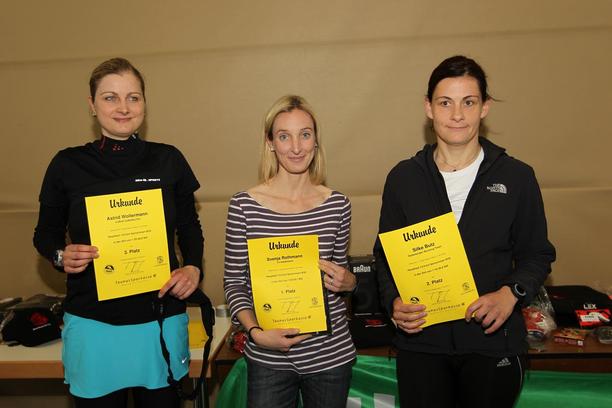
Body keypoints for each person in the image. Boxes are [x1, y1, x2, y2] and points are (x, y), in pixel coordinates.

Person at [373, 55, 556, 408]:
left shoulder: (517, 177)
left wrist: (511, 293)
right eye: (445, 102)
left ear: (484, 107)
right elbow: (385, 256)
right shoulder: (403, 178)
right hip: (422, 345)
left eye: (468, 102)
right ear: (428, 108)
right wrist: (393, 302)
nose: (457, 114)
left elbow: (537, 253)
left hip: (492, 344)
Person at [33, 57, 204, 408]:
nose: (123, 108)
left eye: (133, 97)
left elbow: (189, 225)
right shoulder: (67, 164)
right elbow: (45, 233)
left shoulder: (168, 159)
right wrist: (61, 255)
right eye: (110, 97)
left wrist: (193, 266)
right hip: (93, 324)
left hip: (160, 319)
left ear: (144, 103)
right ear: (92, 105)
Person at [223, 95, 357, 408]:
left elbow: (341, 278)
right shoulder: (244, 206)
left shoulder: (337, 204)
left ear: (316, 140)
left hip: (330, 355)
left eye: (304, 135)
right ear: (270, 143)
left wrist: (350, 282)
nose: (296, 147)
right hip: (268, 357)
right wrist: (256, 332)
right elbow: (234, 283)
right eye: (284, 136)